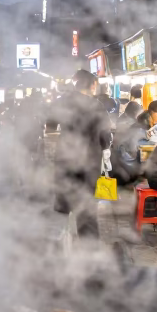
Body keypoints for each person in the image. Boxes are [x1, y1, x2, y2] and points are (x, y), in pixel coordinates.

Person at [49, 69, 113, 236]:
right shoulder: (96, 105)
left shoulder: (62, 101)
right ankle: (88, 250)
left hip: (65, 160)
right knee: (86, 208)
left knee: (63, 205)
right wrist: (106, 150)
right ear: (92, 84)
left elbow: (50, 124)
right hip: (88, 163)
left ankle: (57, 247)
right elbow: (105, 134)